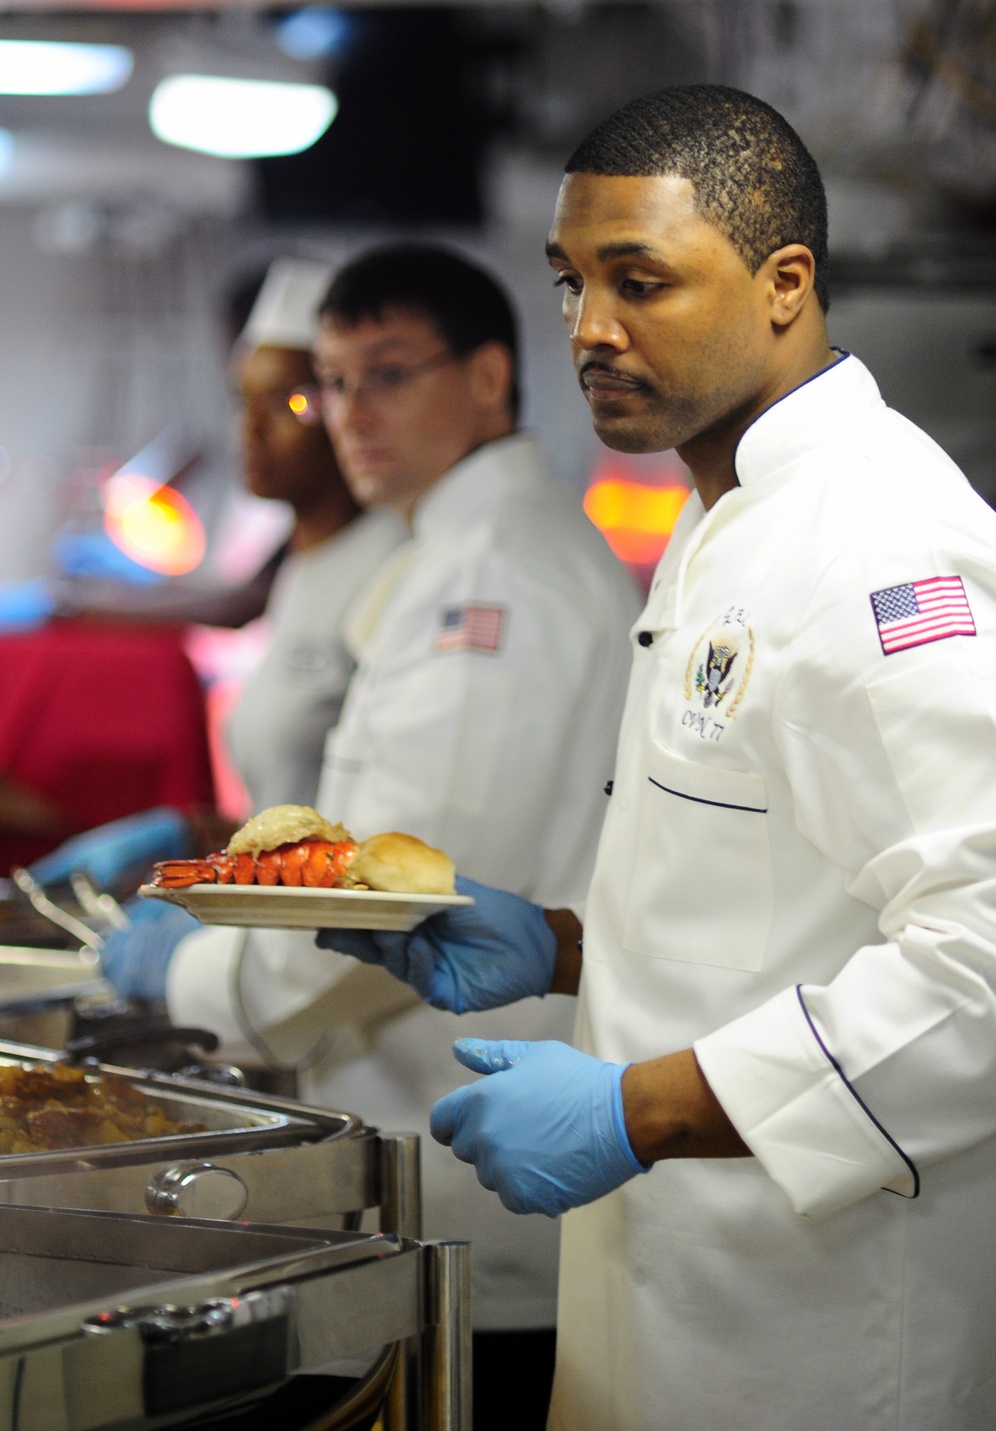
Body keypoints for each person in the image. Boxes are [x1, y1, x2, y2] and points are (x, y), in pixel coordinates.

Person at [319, 89, 996, 1431]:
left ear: (784, 283)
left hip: (820, 1341)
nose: (589, 329)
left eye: (642, 281)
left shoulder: (877, 546)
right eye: (572, 283)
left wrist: (641, 1107)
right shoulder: (727, 512)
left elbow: (983, 965)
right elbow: (781, 900)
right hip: (682, 1304)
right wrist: (569, 947)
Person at [160, 245, 641, 1429]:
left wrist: (183, 981)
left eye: (386, 374)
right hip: (424, 1140)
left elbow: (394, 887)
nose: (348, 416)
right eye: (332, 382)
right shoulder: (451, 552)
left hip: (471, 1166)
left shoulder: (490, 577)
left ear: (487, 379)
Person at [34, 258, 404, 889]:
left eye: (290, 401)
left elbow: (382, 836)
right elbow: (291, 803)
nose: (251, 431)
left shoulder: (393, 572)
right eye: (242, 400)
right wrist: (195, 836)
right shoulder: (306, 564)